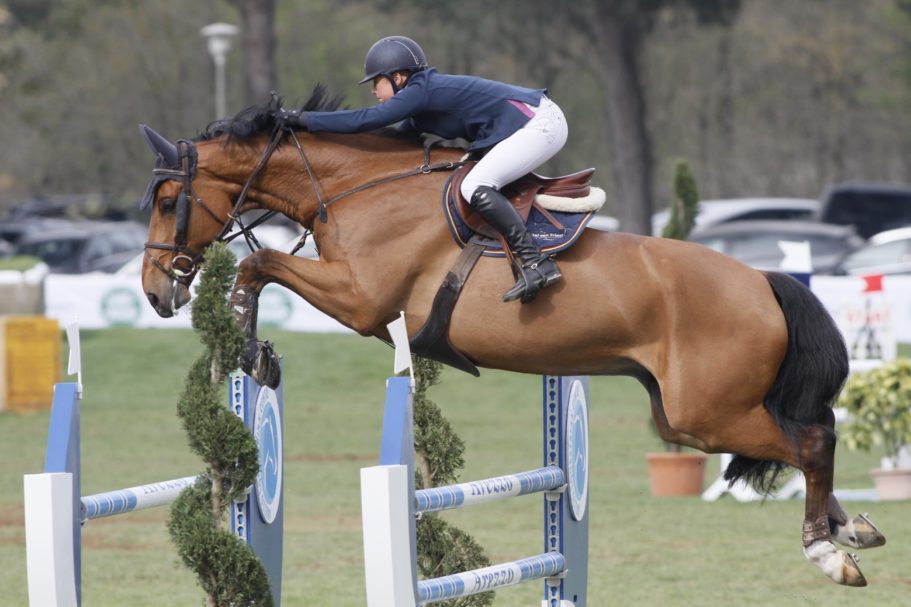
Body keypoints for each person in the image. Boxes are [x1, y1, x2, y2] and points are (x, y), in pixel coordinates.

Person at [273, 35, 568, 304]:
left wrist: (303, 119)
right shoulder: (420, 109)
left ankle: (536, 262)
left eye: (377, 82)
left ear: (398, 78)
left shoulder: (421, 89)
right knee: (473, 181)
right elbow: (389, 144)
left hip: (539, 123)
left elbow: (366, 120)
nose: (374, 91)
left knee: (474, 185)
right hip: (533, 122)